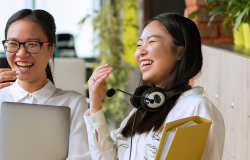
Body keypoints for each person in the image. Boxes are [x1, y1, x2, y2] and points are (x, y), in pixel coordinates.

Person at [0, 9, 90, 160]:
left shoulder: (74, 104)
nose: (21, 53)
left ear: (51, 48)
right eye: (13, 43)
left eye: (32, 44)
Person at [84, 12, 225, 160]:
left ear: (180, 52)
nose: (140, 52)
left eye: (151, 42)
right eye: (139, 45)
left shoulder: (196, 108)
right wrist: (95, 106)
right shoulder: (142, 110)